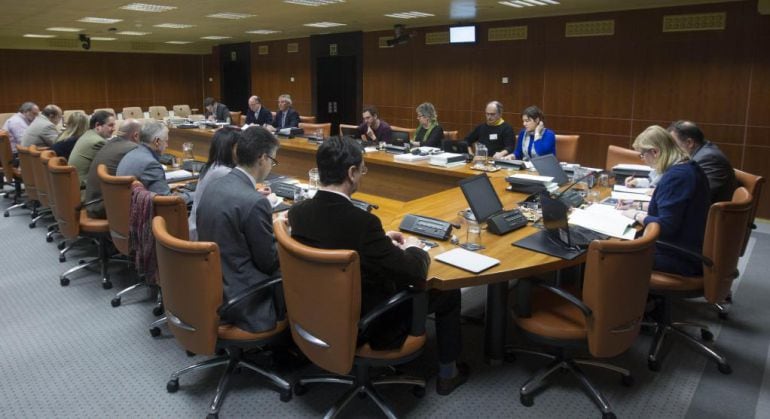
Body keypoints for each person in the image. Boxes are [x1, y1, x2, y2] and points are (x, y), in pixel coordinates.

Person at [288, 136, 468, 395]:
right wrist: (415, 247)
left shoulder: (299, 212)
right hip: (367, 322)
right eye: (362, 169)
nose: (362, 174)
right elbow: (413, 270)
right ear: (351, 173)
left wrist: (381, 241)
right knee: (446, 292)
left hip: (316, 312)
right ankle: (448, 375)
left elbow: (336, 238)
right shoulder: (363, 224)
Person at [196, 126, 284, 333]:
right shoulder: (254, 202)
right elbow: (268, 262)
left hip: (213, 285)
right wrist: (283, 231)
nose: (271, 166)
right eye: (273, 161)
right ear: (262, 158)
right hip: (243, 297)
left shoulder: (214, 185)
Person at [621, 125, 710, 276]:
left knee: (613, 251)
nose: (643, 160)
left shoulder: (676, 177)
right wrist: (636, 204)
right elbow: (671, 207)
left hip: (678, 256)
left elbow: (666, 226)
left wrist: (635, 215)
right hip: (687, 246)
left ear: (655, 152)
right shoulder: (688, 166)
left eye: (642, 155)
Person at [116, 121, 192, 204]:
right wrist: (194, 196)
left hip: (126, 208)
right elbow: (166, 201)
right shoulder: (150, 164)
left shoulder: (130, 154)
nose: (167, 145)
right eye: (166, 141)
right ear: (157, 141)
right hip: (147, 214)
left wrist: (167, 187)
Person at [188, 126, 241, 240]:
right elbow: (242, 207)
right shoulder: (224, 172)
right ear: (234, 148)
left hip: (199, 228)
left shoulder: (213, 166)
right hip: (205, 237)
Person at [84, 119, 142, 219]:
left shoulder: (110, 143)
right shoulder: (132, 148)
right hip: (103, 208)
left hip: (92, 202)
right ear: (136, 135)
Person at [668, 120, 736, 203]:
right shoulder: (701, 152)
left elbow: (700, 194)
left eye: (674, 145)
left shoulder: (709, 158)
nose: (672, 149)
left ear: (689, 143)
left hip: (708, 212)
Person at [69, 110, 116, 192]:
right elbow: (111, 166)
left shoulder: (88, 134)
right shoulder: (97, 142)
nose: (114, 129)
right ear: (98, 125)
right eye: (110, 125)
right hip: (83, 190)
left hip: (75, 186)